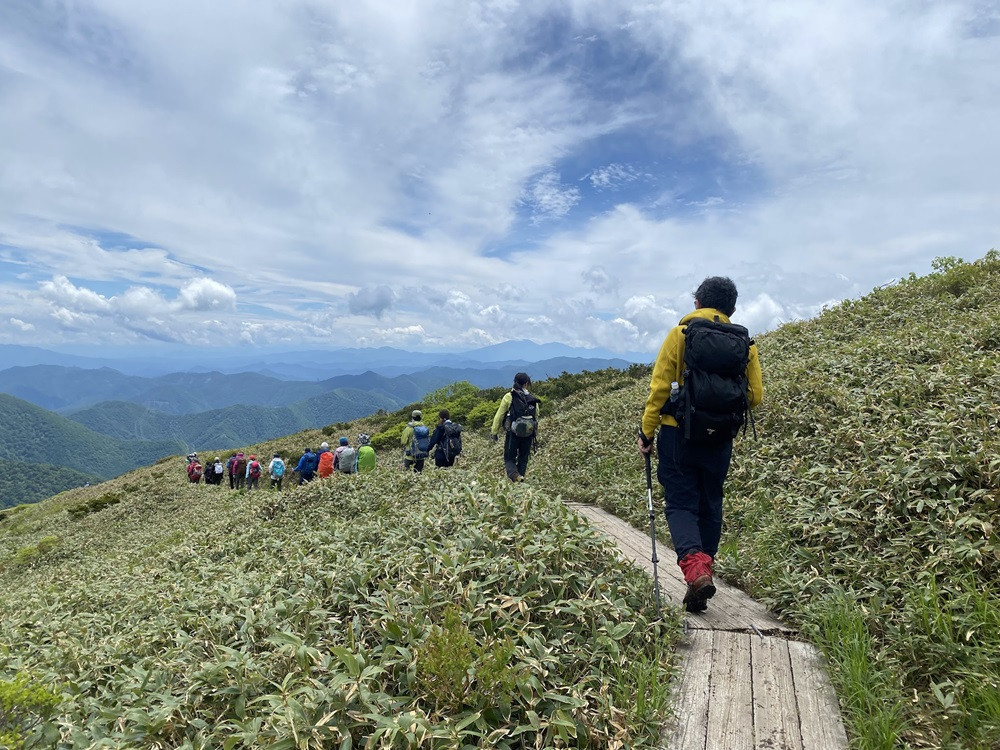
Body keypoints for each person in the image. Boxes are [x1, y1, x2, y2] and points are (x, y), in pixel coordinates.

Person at [637, 276, 764, 613]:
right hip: (720, 438)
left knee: (681, 503)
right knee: (711, 501)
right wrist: (719, 411)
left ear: (697, 302)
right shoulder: (745, 344)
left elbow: (660, 389)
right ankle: (704, 570)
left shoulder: (681, 334)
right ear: (732, 308)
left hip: (678, 433)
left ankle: (695, 570)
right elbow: (756, 395)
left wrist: (647, 433)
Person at [492, 372, 539, 482]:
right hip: (528, 433)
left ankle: (514, 476)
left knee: (509, 458)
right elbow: (536, 415)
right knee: (523, 458)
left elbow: (499, 416)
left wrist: (494, 432)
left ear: (515, 382)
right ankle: (520, 480)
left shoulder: (509, 396)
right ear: (526, 383)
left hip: (513, 433)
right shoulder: (532, 398)